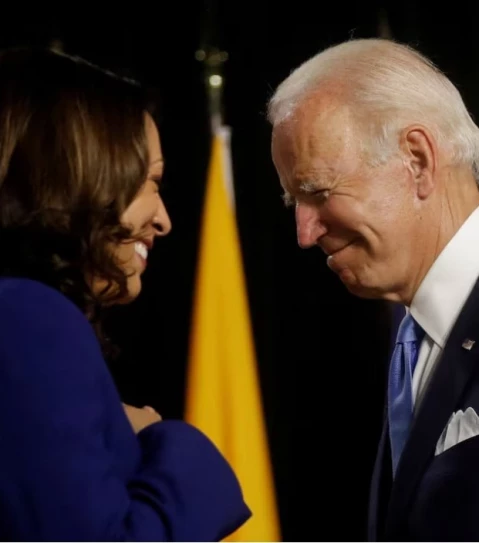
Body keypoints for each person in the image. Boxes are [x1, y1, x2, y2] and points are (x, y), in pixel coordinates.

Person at [0, 47, 251, 541]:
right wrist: (161, 441)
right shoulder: (27, 317)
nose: (164, 219)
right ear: (80, 173)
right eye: (150, 182)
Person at [268, 37, 479, 541]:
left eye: (318, 192)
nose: (304, 233)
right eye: (293, 201)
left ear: (417, 160)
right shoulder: (408, 335)